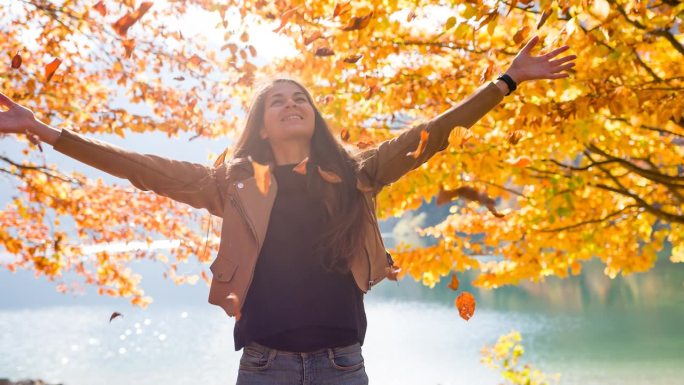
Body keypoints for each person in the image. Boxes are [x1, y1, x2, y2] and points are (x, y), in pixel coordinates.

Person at [0, 35, 575, 384]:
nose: (292, 104)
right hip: (264, 366)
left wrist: (504, 82)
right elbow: (141, 167)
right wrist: (45, 130)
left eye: (300, 98)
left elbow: (433, 134)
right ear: (262, 124)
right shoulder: (231, 183)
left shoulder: (355, 174)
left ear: (312, 117)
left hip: (342, 366)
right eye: (277, 100)